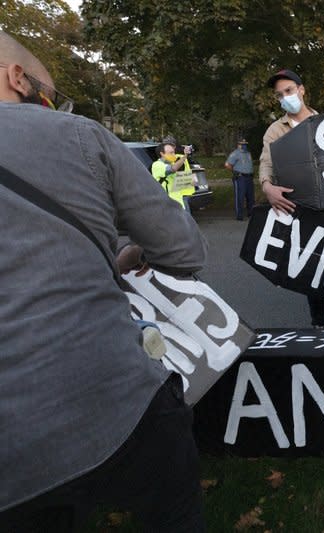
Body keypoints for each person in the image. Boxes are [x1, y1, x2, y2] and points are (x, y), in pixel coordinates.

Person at [0, 31, 207, 531]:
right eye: (51, 96)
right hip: (116, 405)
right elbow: (184, 251)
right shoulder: (77, 134)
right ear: (16, 77)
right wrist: (130, 251)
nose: (53, 107)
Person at [259, 68, 324, 330]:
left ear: (302, 90)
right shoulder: (275, 131)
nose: (285, 97)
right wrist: (267, 187)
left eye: (289, 90)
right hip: (302, 208)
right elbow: (266, 162)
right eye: (279, 95)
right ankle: (318, 322)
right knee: (312, 268)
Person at [151, 138, 195, 211]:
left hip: (180, 198)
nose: (173, 154)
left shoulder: (177, 158)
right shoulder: (157, 165)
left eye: (173, 151)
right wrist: (185, 156)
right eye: (171, 152)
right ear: (162, 153)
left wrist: (187, 153)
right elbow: (173, 168)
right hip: (169, 204)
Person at [225, 136, 255, 220]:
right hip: (240, 177)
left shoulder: (248, 153)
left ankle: (251, 213)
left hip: (249, 177)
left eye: (245, 144)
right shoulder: (235, 153)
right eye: (242, 144)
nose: (244, 145)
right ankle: (239, 215)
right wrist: (235, 172)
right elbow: (227, 165)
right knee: (240, 197)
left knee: (250, 196)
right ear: (238, 145)